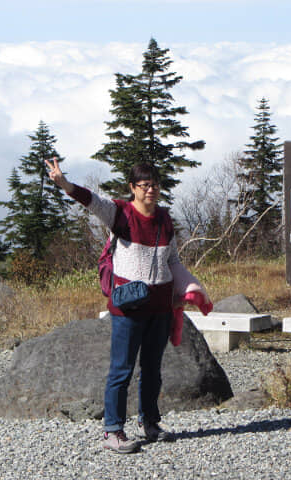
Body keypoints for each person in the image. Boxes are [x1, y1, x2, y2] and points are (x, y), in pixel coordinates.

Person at [46, 158, 195, 454]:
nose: (151, 190)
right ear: (133, 188)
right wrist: (64, 184)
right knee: (121, 370)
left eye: (155, 184)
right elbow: (92, 200)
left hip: (161, 306)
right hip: (128, 308)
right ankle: (113, 430)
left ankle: (149, 423)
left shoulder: (165, 219)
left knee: (152, 369)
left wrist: (188, 288)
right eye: (145, 185)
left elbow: (173, 261)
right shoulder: (120, 213)